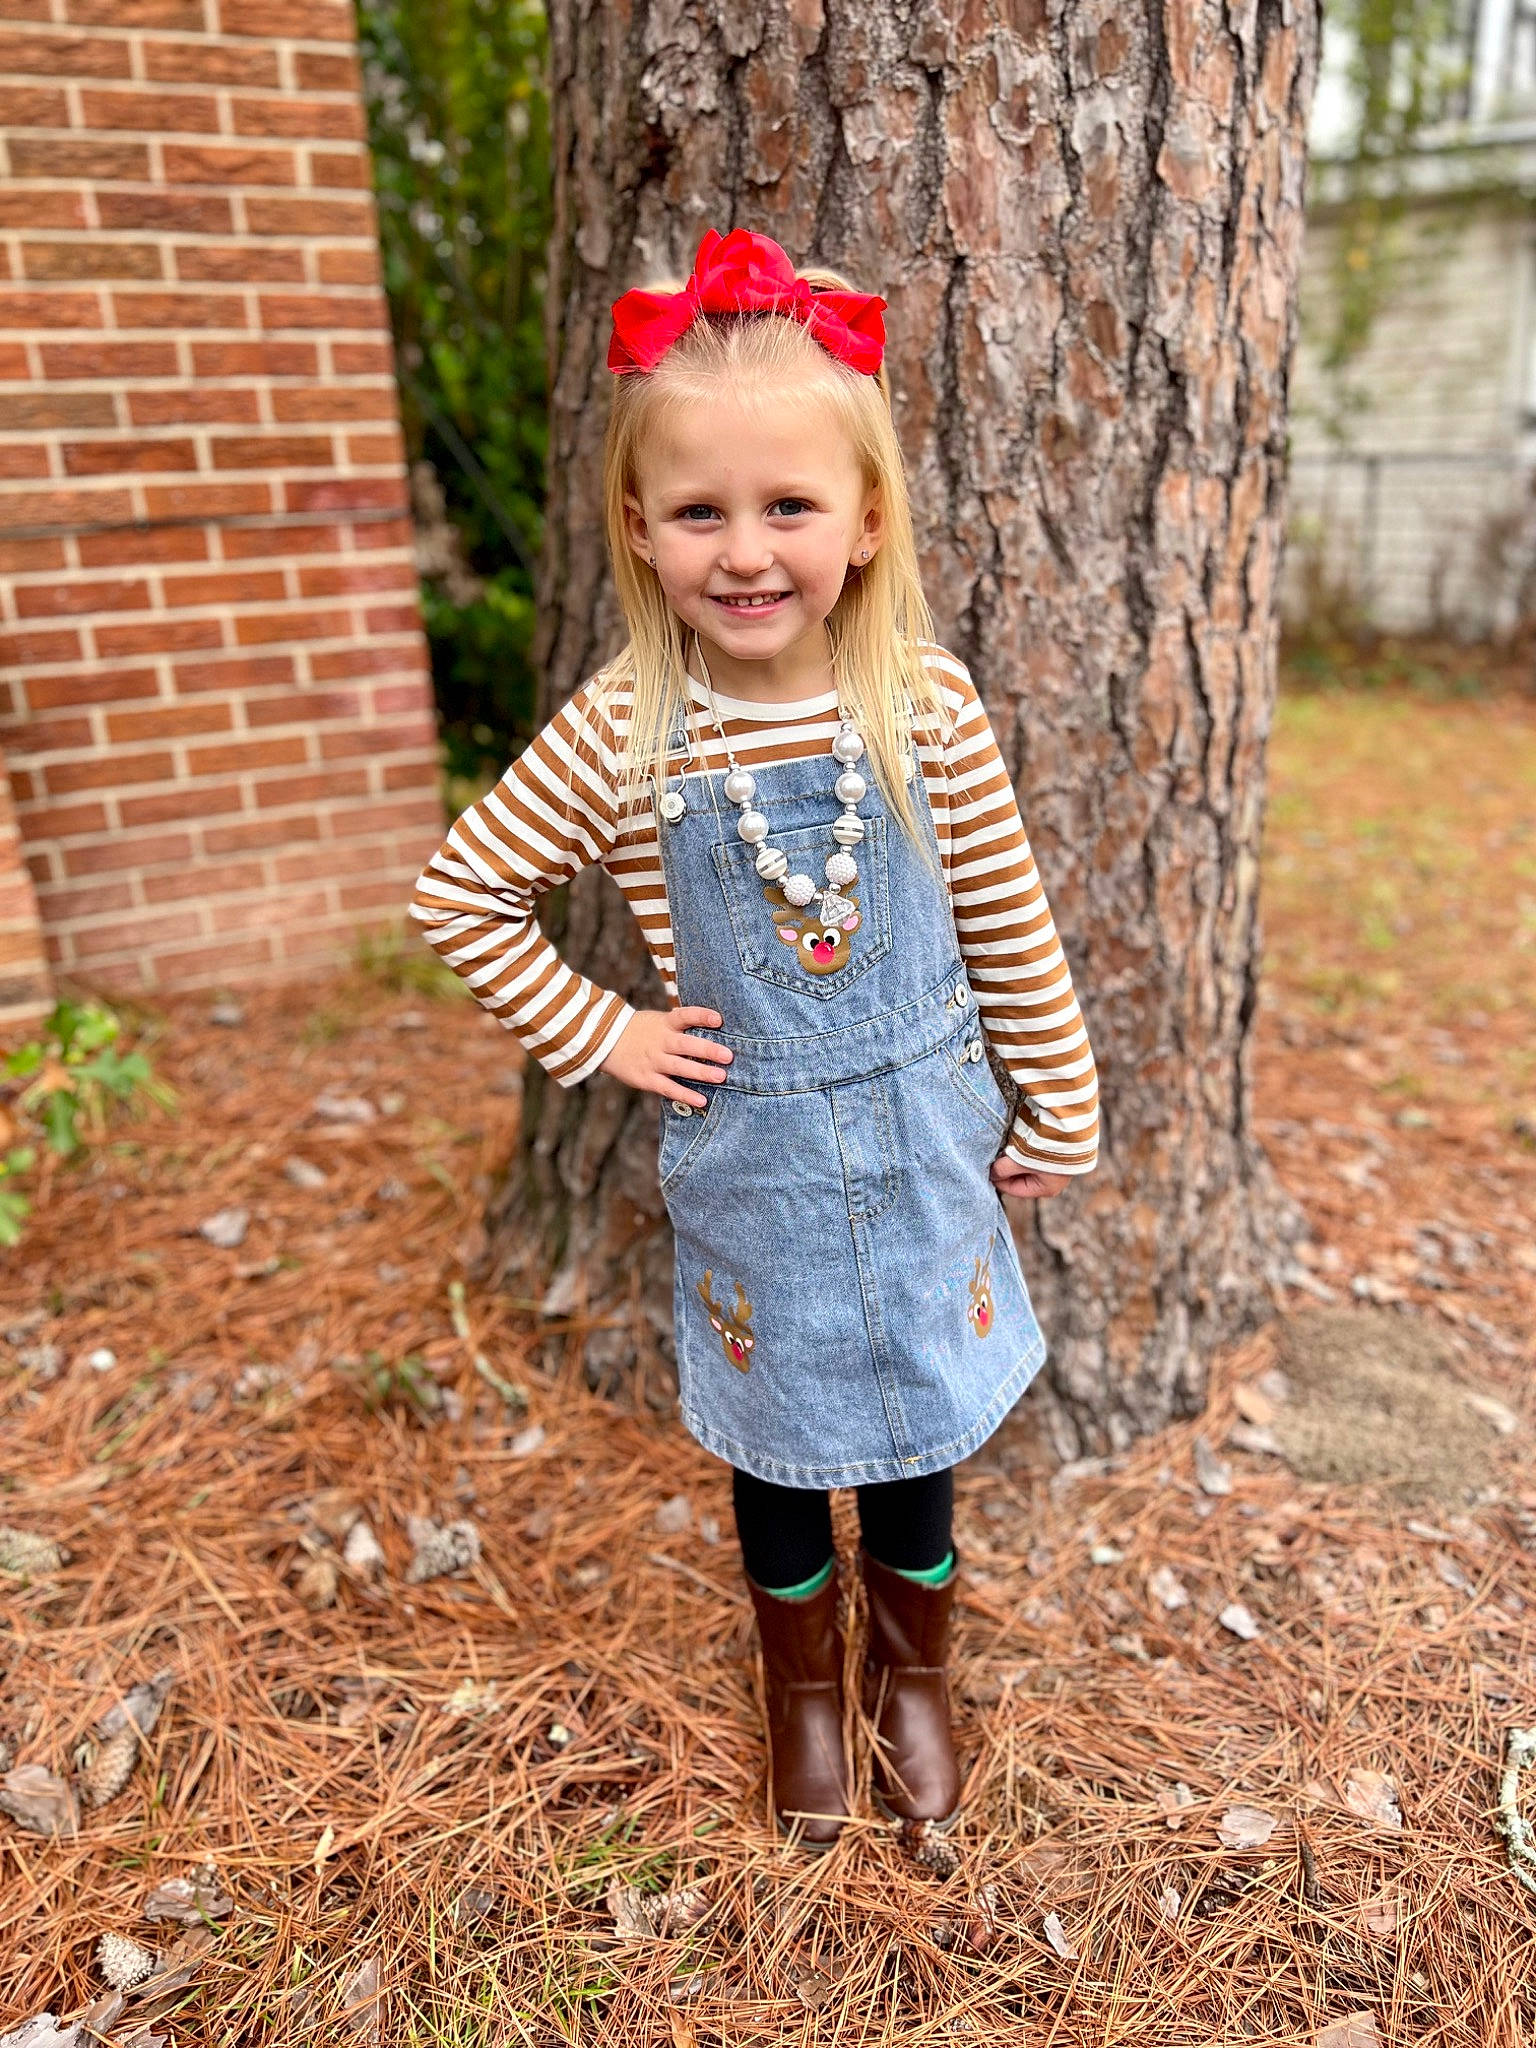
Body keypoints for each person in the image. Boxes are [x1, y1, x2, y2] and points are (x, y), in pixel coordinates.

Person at [410, 226, 1100, 1850]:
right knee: (784, 1439)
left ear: (865, 524)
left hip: (929, 1133)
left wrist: (1058, 1107)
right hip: (760, 1153)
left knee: (918, 1420)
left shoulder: (920, 707)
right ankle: (803, 1690)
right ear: (639, 531)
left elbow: (1010, 925)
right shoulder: (625, 731)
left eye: (788, 506)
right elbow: (462, 894)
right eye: (700, 511)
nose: (746, 551)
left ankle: (909, 1680)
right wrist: (607, 1035)